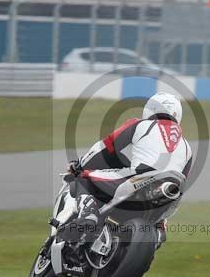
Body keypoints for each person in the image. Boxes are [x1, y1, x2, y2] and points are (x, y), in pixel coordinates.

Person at [64, 92, 193, 243]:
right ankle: (158, 232)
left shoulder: (139, 124)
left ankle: (89, 217)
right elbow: (184, 179)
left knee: (84, 178)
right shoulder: (187, 147)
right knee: (160, 224)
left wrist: (79, 165)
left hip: (139, 178)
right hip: (169, 193)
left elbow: (106, 146)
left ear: (150, 109)